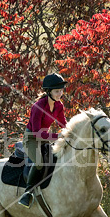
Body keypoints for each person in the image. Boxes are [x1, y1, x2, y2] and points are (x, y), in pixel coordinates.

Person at [18, 73, 68, 208]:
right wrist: (57, 137)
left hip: (45, 137)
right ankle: (27, 193)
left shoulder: (59, 106)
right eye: (57, 91)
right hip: (32, 139)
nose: (60, 94)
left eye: (61, 91)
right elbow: (36, 133)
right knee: (40, 163)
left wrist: (72, 133)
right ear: (48, 92)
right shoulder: (38, 107)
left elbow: (64, 124)